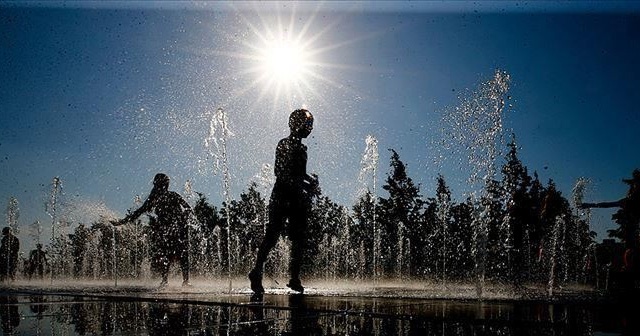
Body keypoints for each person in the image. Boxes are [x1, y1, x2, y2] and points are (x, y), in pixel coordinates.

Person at [248, 109, 319, 294]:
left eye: (310, 125)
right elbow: (279, 172)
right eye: (306, 124)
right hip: (281, 195)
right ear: (294, 124)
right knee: (272, 235)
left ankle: (294, 278)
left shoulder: (303, 149)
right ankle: (256, 272)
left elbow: (300, 173)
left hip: (296, 197)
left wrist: (310, 181)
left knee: (298, 238)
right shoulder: (284, 144)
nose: (309, 128)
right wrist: (301, 185)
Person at [116, 173, 192, 288]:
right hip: (167, 231)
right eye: (164, 183)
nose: (164, 186)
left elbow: (188, 208)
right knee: (172, 254)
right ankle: (172, 281)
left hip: (176, 230)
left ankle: (175, 281)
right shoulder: (156, 199)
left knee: (176, 254)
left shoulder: (172, 196)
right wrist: (122, 221)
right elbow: (139, 211)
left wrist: (183, 217)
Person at [581, 169, 640, 290]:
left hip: (633, 233)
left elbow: (607, 204)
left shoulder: (629, 201)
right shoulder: (627, 201)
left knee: (630, 253)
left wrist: (589, 205)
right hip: (631, 233)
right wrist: (589, 205)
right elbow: (606, 204)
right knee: (629, 254)